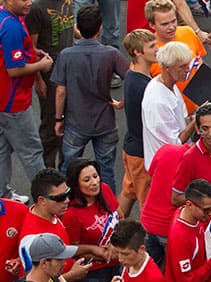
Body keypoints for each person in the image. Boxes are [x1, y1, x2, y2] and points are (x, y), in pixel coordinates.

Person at [50, 5, 127, 192]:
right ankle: (108, 211)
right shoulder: (111, 53)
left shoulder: (66, 55)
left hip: (76, 123)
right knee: (106, 170)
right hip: (105, 122)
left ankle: (65, 205)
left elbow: (61, 91)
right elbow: (134, 78)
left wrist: (58, 118)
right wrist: (123, 102)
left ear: (78, 27)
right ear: (100, 28)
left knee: (69, 167)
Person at [62, 157, 120, 282]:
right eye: (86, 180)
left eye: (95, 176)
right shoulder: (71, 214)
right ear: (75, 184)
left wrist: (115, 243)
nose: (94, 182)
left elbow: (121, 217)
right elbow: (71, 248)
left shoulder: (105, 190)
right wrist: (95, 249)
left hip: (114, 267)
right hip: (92, 275)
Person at [0, 0, 51, 200]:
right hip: (14, 103)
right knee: (32, 152)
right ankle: (48, 201)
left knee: (2, 150)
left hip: (5, 99)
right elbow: (14, 69)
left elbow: (12, 53)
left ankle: (2, 197)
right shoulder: (11, 26)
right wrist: (40, 65)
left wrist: (30, 52)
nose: (29, 1)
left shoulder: (11, 17)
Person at [25, 0, 74, 170]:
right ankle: (48, 171)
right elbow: (32, 48)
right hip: (49, 74)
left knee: (67, 122)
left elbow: (69, 27)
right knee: (50, 124)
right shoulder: (37, 8)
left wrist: (86, 35)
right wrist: (38, 79)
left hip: (69, 70)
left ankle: (64, 170)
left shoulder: (69, 1)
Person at [119, 29, 158, 217]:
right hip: (142, 154)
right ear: (137, 52)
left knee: (128, 193)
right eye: (151, 46)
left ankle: (111, 232)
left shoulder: (132, 74)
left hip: (131, 148)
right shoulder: (143, 86)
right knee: (147, 204)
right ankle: (146, 245)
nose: (157, 49)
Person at [146, 0, 208, 115]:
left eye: (173, 21)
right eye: (165, 24)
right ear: (151, 25)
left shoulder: (188, 32)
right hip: (170, 115)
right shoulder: (148, 53)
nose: (171, 27)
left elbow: (199, 64)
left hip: (198, 110)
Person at [141, 42, 195, 170]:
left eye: (188, 64)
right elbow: (174, 143)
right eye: (182, 66)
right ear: (167, 68)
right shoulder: (158, 101)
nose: (188, 69)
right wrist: (196, 120)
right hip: (166, 168)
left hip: (176, 162)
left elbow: (182, 119)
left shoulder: (171, 85)